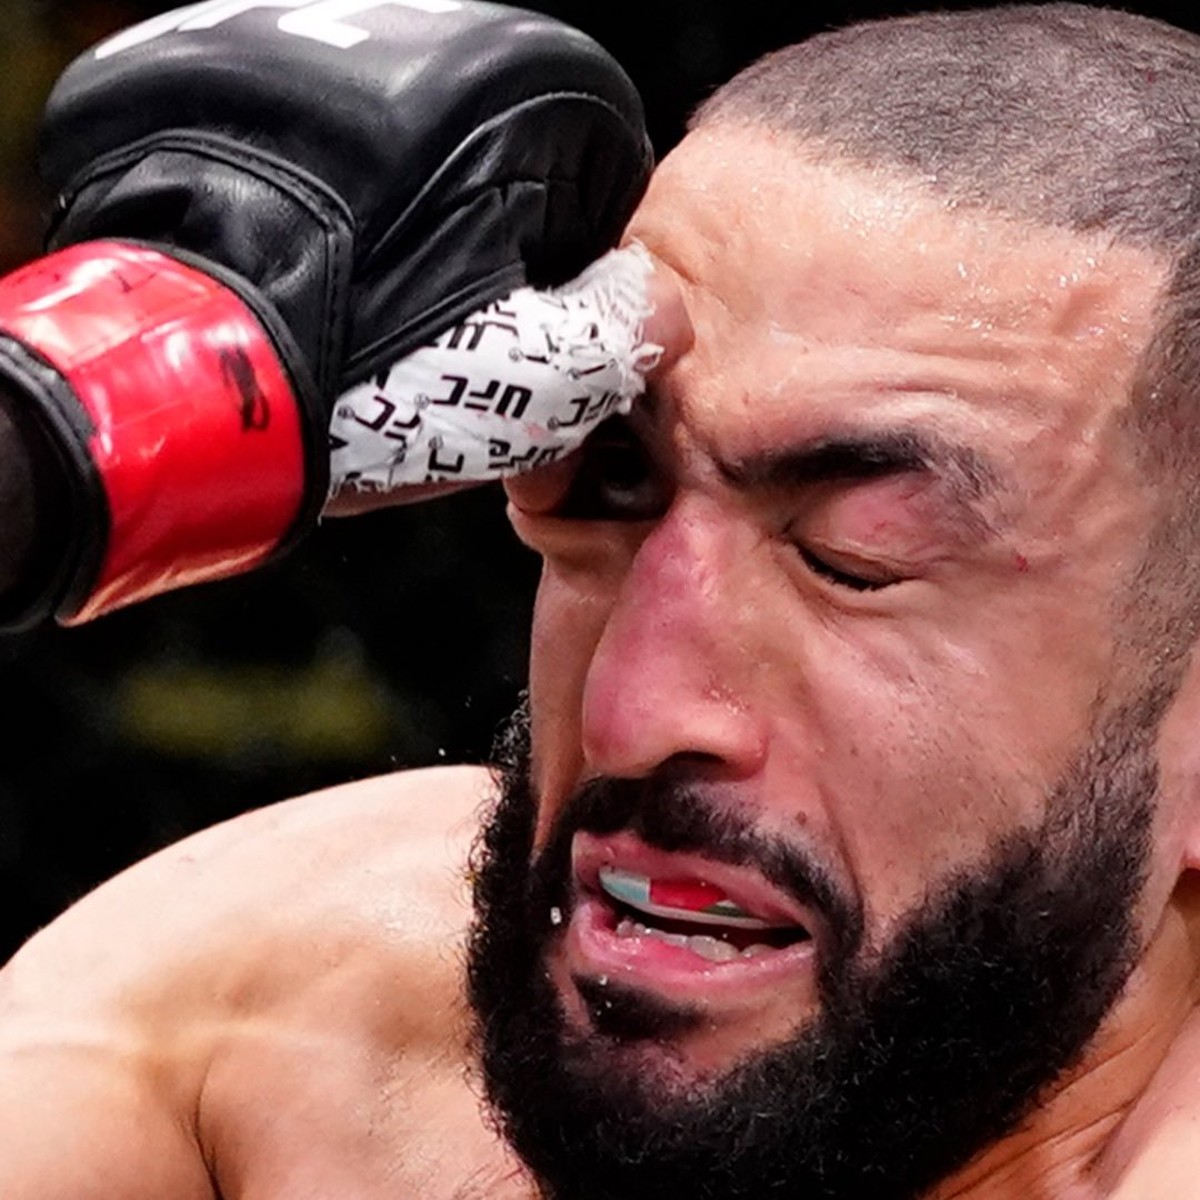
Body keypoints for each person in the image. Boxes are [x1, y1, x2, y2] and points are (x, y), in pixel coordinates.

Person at [9, 1, 1200, 1197]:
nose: (629, 717)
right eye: (605, 489)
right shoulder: (265, 1014)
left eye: (856, 558)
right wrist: (54, 450)